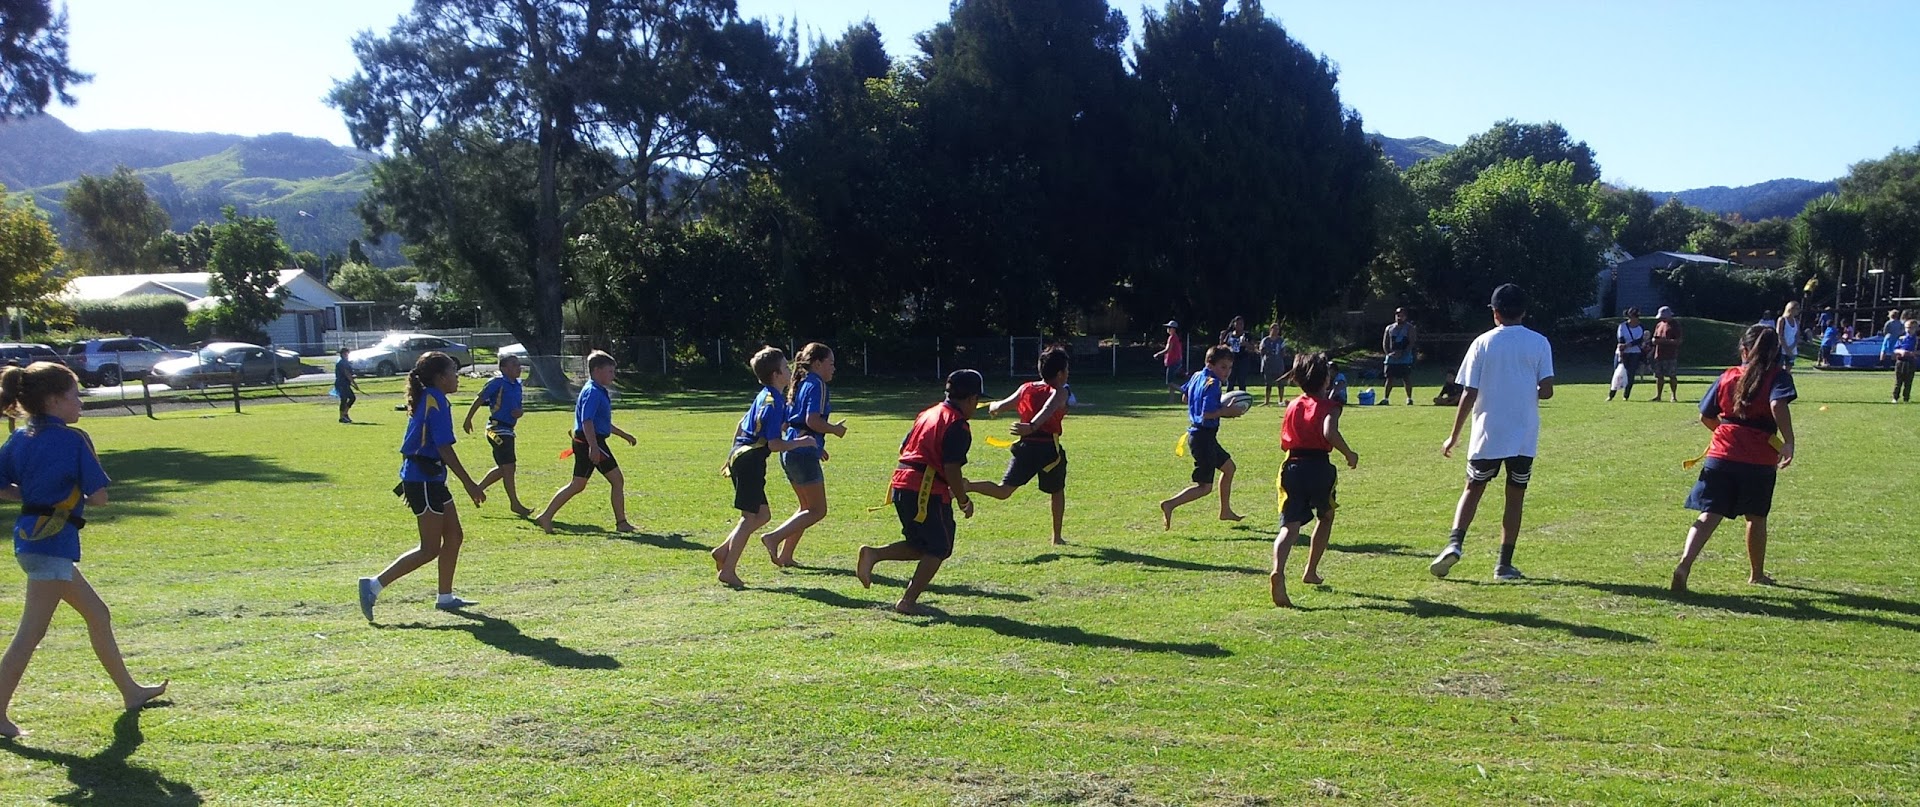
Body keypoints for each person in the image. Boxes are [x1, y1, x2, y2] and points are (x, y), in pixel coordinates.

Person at [0, 362, 167, 739]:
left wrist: (32, 496)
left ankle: (131, 692)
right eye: (75, 395)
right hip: (52, 546)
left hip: (30, 541)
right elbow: (101, 498)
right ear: (54, 400)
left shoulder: (18, 438)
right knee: (30, 634)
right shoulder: (75, 439)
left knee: (98, 614)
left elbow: (3, 485)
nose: (81, 402)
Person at [1430, 284, 1555, 582]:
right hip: (1523, 436)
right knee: (1515, 496)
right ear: (1524, 311)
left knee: (1473, 488)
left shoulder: (1482, 343)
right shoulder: (1539, 343)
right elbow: (1547, 390)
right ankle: (1504, 564)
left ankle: (1455, 543)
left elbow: (1468, 393)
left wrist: (1454, 435)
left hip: (1488, 433)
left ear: (1495, 313)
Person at [358, 352, 488, 621]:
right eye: (453, 371)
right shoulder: (436, 400)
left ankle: (445, 597)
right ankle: (373, 585)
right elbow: (444, 448)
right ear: (441, 378)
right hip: (423, 479)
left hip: (429, 478)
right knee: (429, 548)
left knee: (454, 536)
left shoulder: (432, 396)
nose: (457, 377)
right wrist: (470, 484)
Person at [1671, 325, 1796, 592]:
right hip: (1759, 459)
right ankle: (1756, 574)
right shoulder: (1777, 376)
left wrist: (1728, 434)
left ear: (1743, 350)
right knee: (1756, 517)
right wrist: (1789, 442)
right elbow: (1777, 404)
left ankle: (1684, 564)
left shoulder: (1727, 376)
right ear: (1775, 352)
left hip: (1721, 455)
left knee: (1709, 514)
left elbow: (1706, 415)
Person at [855, 370, 985, 615]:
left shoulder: (928, 413)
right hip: (925, 491)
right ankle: (907, 601)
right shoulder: (957, 424)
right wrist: (963, 499)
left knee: (922, 545)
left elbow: (904, 446)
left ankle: (873, 554)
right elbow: (951, 467)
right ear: (971, 399)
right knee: (940, 547)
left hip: (902, 483)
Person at [711, 347, 815, 587]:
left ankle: (723, 550)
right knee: (750, 518)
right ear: (777, 374)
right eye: (787, 368)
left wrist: (731, 456)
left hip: (743, 456)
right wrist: (802, 442)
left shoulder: (767, 395)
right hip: (750, 461)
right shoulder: (774, 402)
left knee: (762, 515)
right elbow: (775, 444)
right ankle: (728, 570)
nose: (790, 371)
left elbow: (742, 424)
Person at [1270, 352, 1358, 608]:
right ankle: (1310, 570)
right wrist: (1349, 453)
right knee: (1326, 515)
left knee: (1289, 526)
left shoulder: (1292, 405)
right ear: (1326, 380)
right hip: (1319, 466)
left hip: (1292, 465)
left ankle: (1278, 569)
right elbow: (1329, 432)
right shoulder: (1330, 406)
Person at [970, 346, 1071, 545]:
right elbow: (1049, 407)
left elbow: (1003, 405)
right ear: (1060, 374)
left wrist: (993, 407)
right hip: (1049, 451)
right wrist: (1033, 426)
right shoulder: (1060, 391)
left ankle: (967, 485)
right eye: (1067, 370)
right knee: (1057, 491)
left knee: (1003, 491)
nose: (1068, 374)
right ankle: (1056, 537)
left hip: (1025, 448)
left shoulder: (1026, 388)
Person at [760, 343, 847, 568]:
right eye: (831, 363)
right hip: (802, 452)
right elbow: (812, 421)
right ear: (817, 364)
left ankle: (786, 555)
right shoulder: (817, 384)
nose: (833, 368)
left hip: (792, 450)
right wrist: (834, 430)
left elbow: (789, 422)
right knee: (818, 510)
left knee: (805, 508)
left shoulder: (800, 383)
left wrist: (817, 446)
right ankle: (773, 537)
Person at [535, 350, 638, 534]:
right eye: (610, 371)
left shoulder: (598, 390)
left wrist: (624, 435)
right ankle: (621, 523)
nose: (613, 375)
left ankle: (546, 516)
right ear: (597, 371)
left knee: (578, 484)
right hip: (588, 441)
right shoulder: (592, 392)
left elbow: (602, 422)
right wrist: (593, 447)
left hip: (588, 440)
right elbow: (587, 421)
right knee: (617, 480)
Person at [1160, 345, 1246, 529]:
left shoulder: (1197, 375)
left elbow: (1185, 398)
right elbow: (1207, 413)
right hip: (1202, 437)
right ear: (1211, 364)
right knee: (1205, 487)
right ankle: (1170, 504)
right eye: (1223, 367)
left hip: (1201, 435)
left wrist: (1201, 405)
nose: (1227, 372)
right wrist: (1227, 411)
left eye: (1230, 368)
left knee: (1229, 468)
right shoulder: (1213, 383)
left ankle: (1225, 511)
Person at [462, 354, 532, 516]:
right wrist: (468, 419)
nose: (518, 367)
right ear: (504, 368)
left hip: (509, 429)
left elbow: (518, 406)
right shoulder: (497, 383)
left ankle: (477, 489)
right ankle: (514, 503)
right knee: (508, 467)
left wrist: (519, 412)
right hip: (496, 430)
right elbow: (480, 399)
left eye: (518, 364)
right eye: (514, 365)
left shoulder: (517, 385)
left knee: (505, 468)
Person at [1381, 307, 1418, 406]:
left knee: (1406, 378)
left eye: (1401, 315)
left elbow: (1412, 342)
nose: (1399, 317)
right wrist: (1389, 353)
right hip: (1391, 358)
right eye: (1397, 315)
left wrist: (1403, 353)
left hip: (1405, 358)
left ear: (1405, 316)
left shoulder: (1410, 328)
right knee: (1389, 378)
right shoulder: (1389, 328)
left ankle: (1409, 398)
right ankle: (1386, 398)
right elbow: (1385, 343)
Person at [1610, 307, 1646, 401]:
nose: (1635, 319)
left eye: (1637, 316)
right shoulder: (1622, 326)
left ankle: (1626, 395)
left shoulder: (1640, 327)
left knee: (1631, 374)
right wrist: (1622, 350)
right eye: (1634, 316)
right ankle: (1611, 394)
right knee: (1617, 374)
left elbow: (1639, 340)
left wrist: (1627, 345)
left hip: (1634, 353)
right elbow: (1620, 339)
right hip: (1622, 352)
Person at [1649, 306, 1684, 402]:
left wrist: (1665, 341)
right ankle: (1658, 395)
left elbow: (1679, 341)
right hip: (1659, 354)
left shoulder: (1675, 325)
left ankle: (1673, 396)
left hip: (1670, 355)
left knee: (1672, 376)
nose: (1662, 319)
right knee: (1659, 376)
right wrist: (1654, 341)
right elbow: (1654, 338)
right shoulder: (1659, 324)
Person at [1258, 323, 1289, 406]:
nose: (1276, 331)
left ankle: (1280, 400)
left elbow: (1283, 352)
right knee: (1268, 384)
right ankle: (1267, 401)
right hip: (1268, 364)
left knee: (1281, 383)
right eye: (1274, 329)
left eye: (1277, 329)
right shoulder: (1265, 340)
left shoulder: (1281, 340)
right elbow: (1261, 351)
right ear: (1270, 330)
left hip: (1278, 364)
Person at [1153, 320, 1184, 400]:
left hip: (1174, 361)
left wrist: (1158, 354)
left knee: (1169, 382)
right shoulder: (1175, 337)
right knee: (1171, 381)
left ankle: (1185, 391)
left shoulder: (1172, 338)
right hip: (1175, 361)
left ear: (1174, 329)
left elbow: (1167, 350)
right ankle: (1171, 400)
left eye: (1169, 327)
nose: (1168, 329)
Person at [1220, 317, 1251, 392]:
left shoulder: (1246, 335)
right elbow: (1222, 346)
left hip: (1242, 360)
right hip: (1231, 360)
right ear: (1234, 324)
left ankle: (1242, 400)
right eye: (1238, 323)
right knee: (1230, 381)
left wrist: (1246, 344)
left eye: (1241, 324)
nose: (1239, 325)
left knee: (1242, 381)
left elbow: (1253, 348)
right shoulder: (1229, 335)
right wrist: (1224, 342)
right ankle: (1229, 400)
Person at [334, 347, 362, 423]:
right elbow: (347, 374)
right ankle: (341, 417)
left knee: (352, 398)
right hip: (341, 384)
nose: (347, 355)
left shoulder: (345, 362)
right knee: (344, 399)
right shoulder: (342, 363)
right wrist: (355, 384)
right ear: (343, 354)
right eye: (346, 353)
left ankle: (345, 414)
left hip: (345, 383)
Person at [1892, 319, 1918, 404]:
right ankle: (1895, 397)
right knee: (1898, 381)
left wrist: (1912, 353)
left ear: (1915, 328)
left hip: (1911, 361)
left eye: (1911, 328)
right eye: (1907, 327)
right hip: (1900, 361)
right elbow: (1895, 349)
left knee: (1908, 381)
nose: (1908, 330)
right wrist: (1901, 351)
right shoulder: (1901, 338)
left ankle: (1906, 398)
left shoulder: (1917, 340)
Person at [1778, 301, 1802, 367]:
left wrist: (1792, 347)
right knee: (1778, 369)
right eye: (1797, 308)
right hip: (1782, 349)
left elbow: (1797, 336)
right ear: (1790, 309)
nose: (1798, 311)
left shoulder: (1796, 321)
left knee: (1788, 369)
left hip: (1792, 349)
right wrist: (1786, 349)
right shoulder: (1782, 320)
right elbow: (1780, 335)